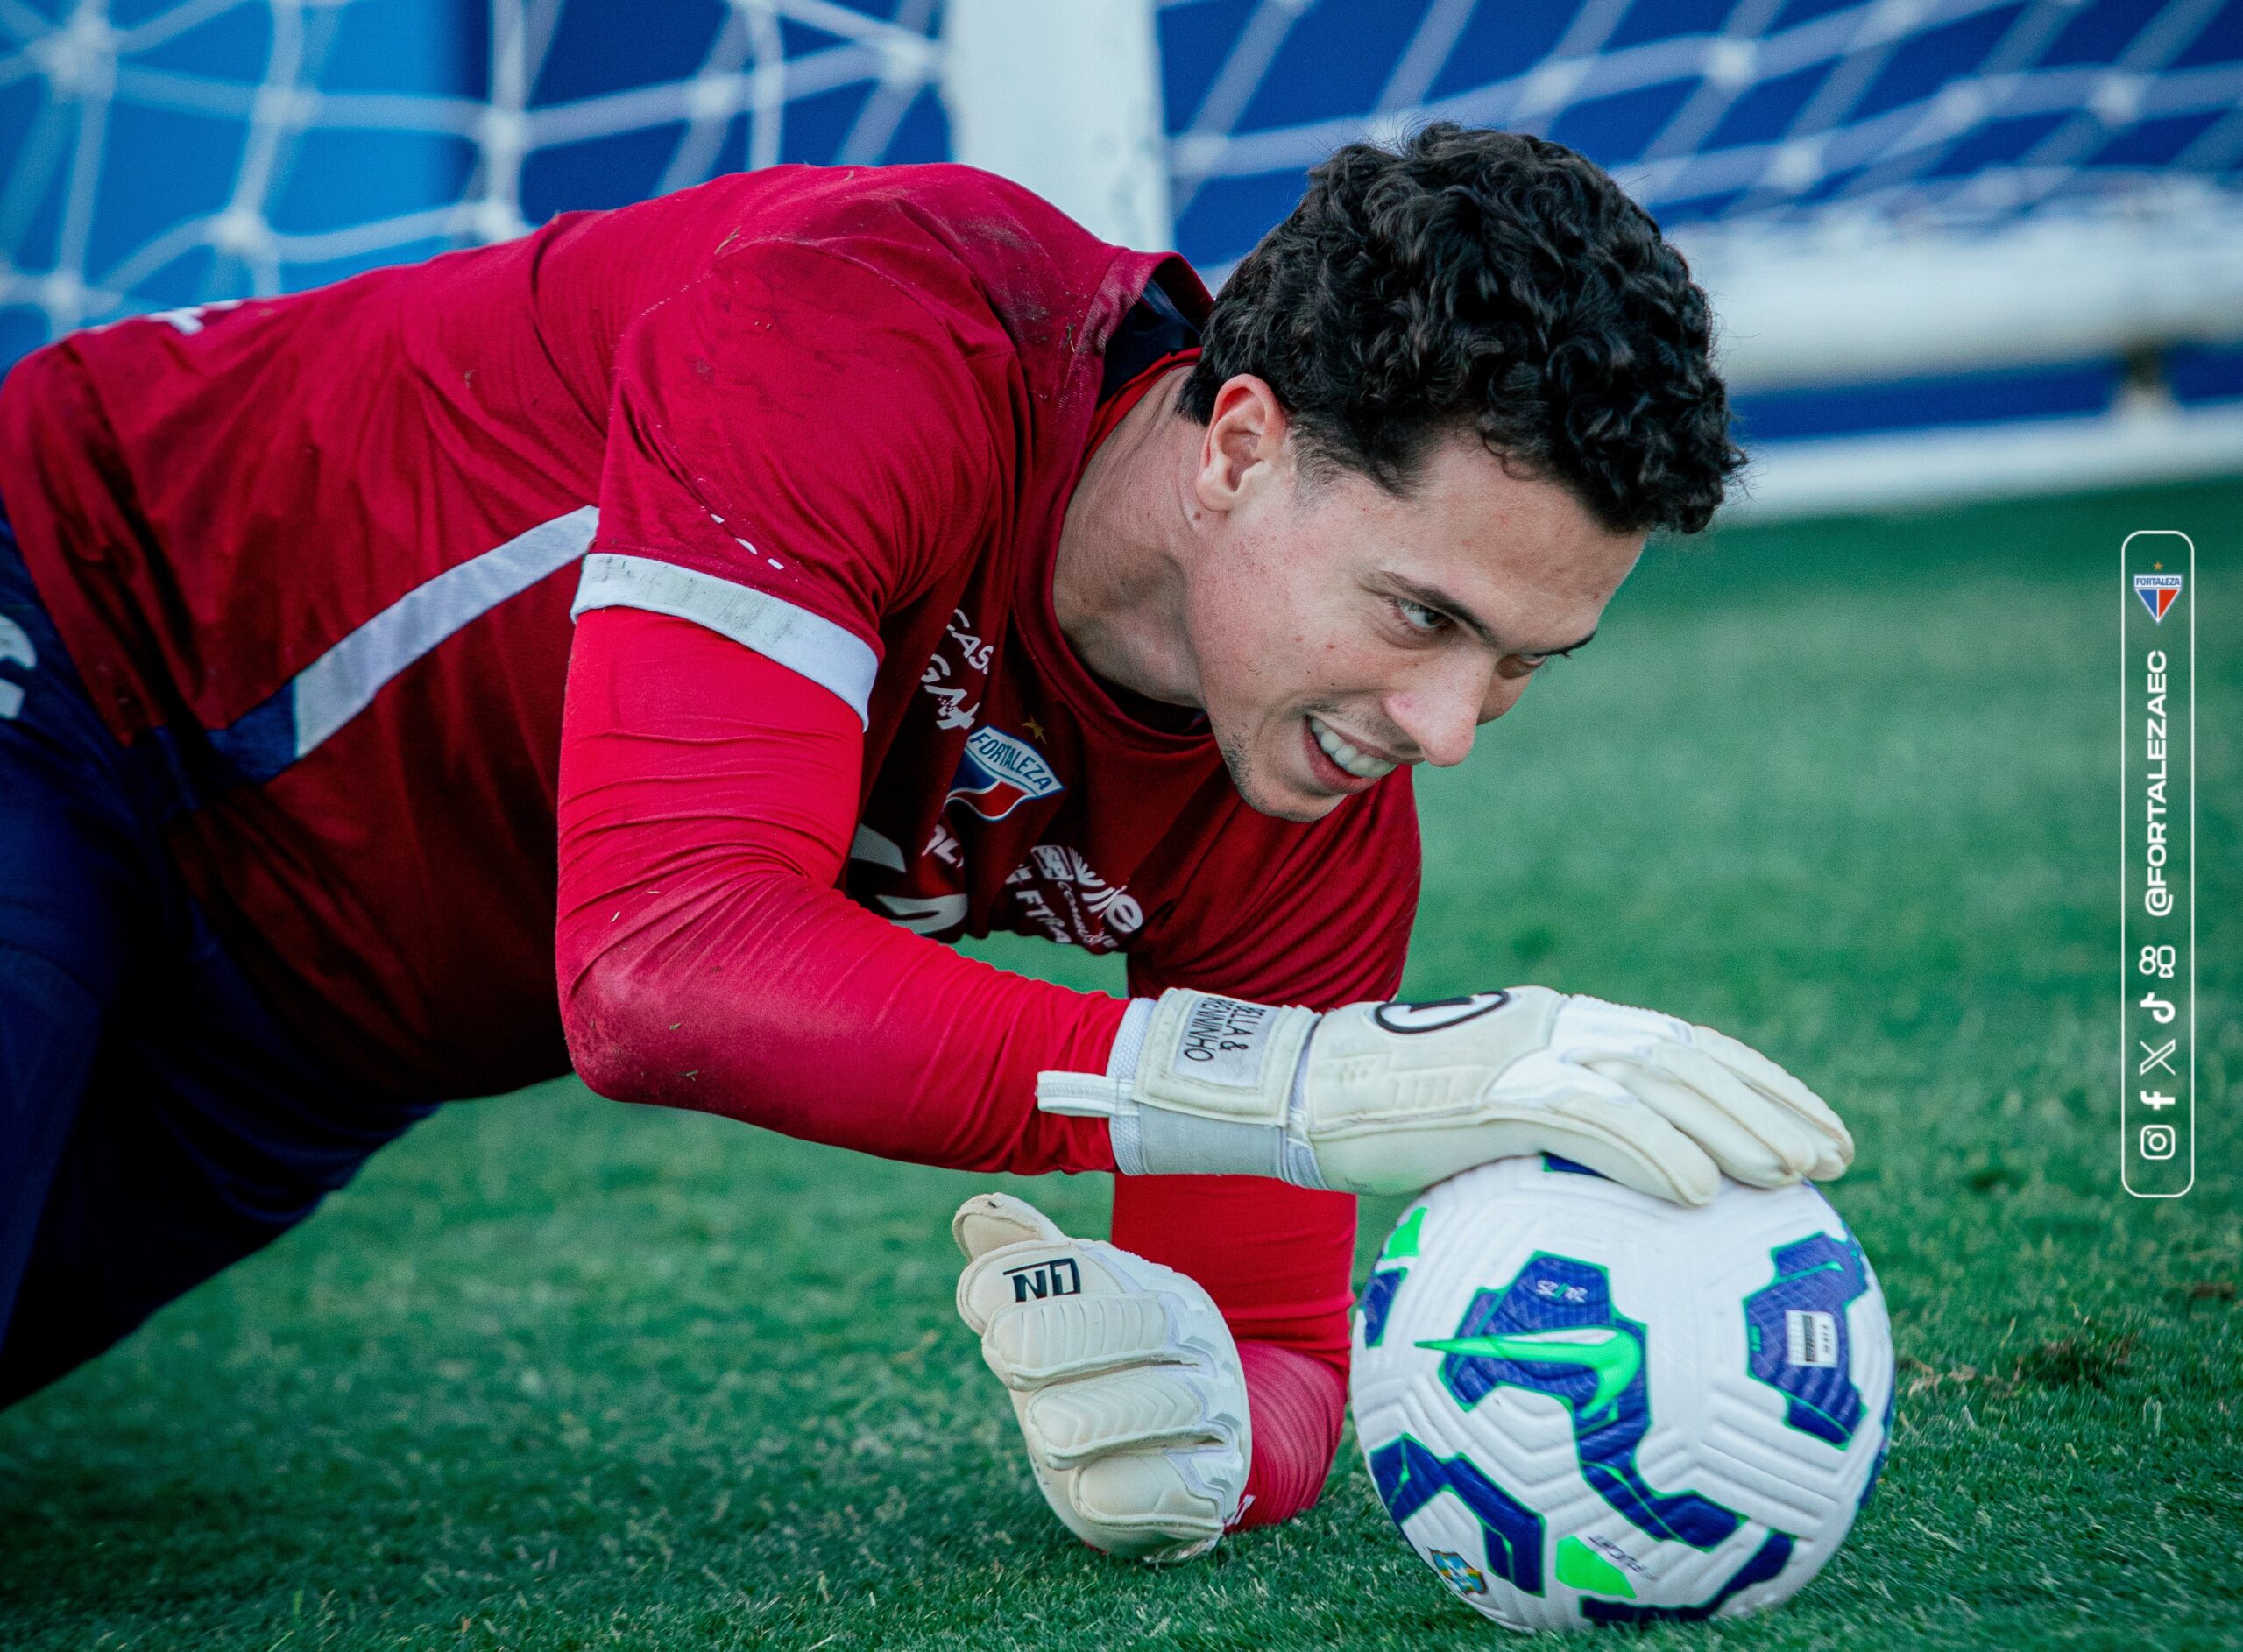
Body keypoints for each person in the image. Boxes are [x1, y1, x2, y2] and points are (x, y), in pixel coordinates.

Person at [0, 124, 1849, 1562]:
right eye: (1425, 617)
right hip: (80, 642)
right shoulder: (869, 321)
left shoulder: (1307, 788)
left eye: (1524, 663)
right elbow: (662, 965)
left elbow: (1274, 1340)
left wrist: (1210, 1428)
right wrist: (1282, 1076)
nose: (1445, 730)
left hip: (311, 1045)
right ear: (1235, 445)